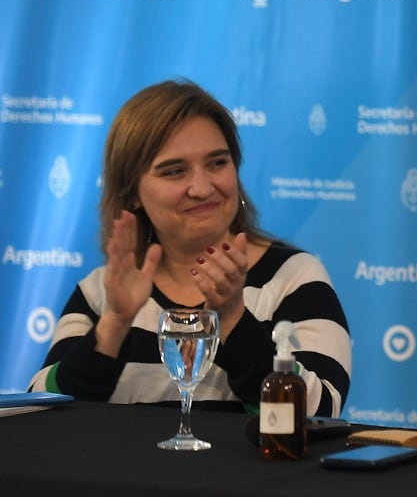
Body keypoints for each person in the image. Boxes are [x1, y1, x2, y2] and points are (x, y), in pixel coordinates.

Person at [29, 79, 352, 416]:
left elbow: (318, 412)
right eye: (174, 171)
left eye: (217, 163)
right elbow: (43, 412)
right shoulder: (103, 291)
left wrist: (232, 319)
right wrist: (115, 323)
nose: (201, 187)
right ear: (132, 193)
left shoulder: (292, 277)